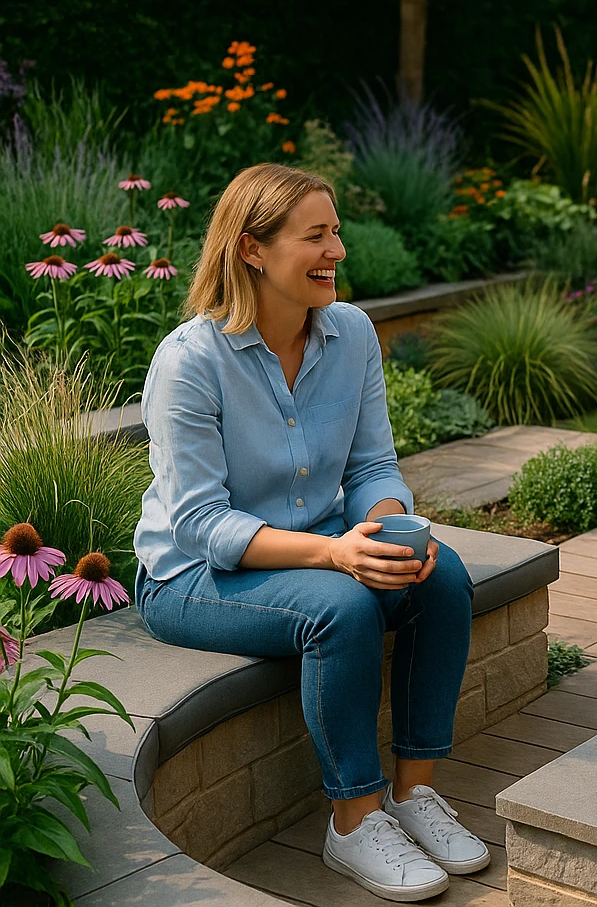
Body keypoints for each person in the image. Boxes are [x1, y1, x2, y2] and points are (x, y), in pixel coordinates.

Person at [133, 164, 488, 902]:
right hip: (191, 577)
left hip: (314, 544)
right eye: (316, 236)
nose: (338, 251)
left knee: (442, 575)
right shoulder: (190, 362)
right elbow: (200, 522)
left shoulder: (351, 333)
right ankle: (352, 823)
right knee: (343, 607)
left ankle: (412, 795)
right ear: (253, 250)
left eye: (336, 233)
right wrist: (335, 553)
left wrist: (390, 527)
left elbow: (372, 465)